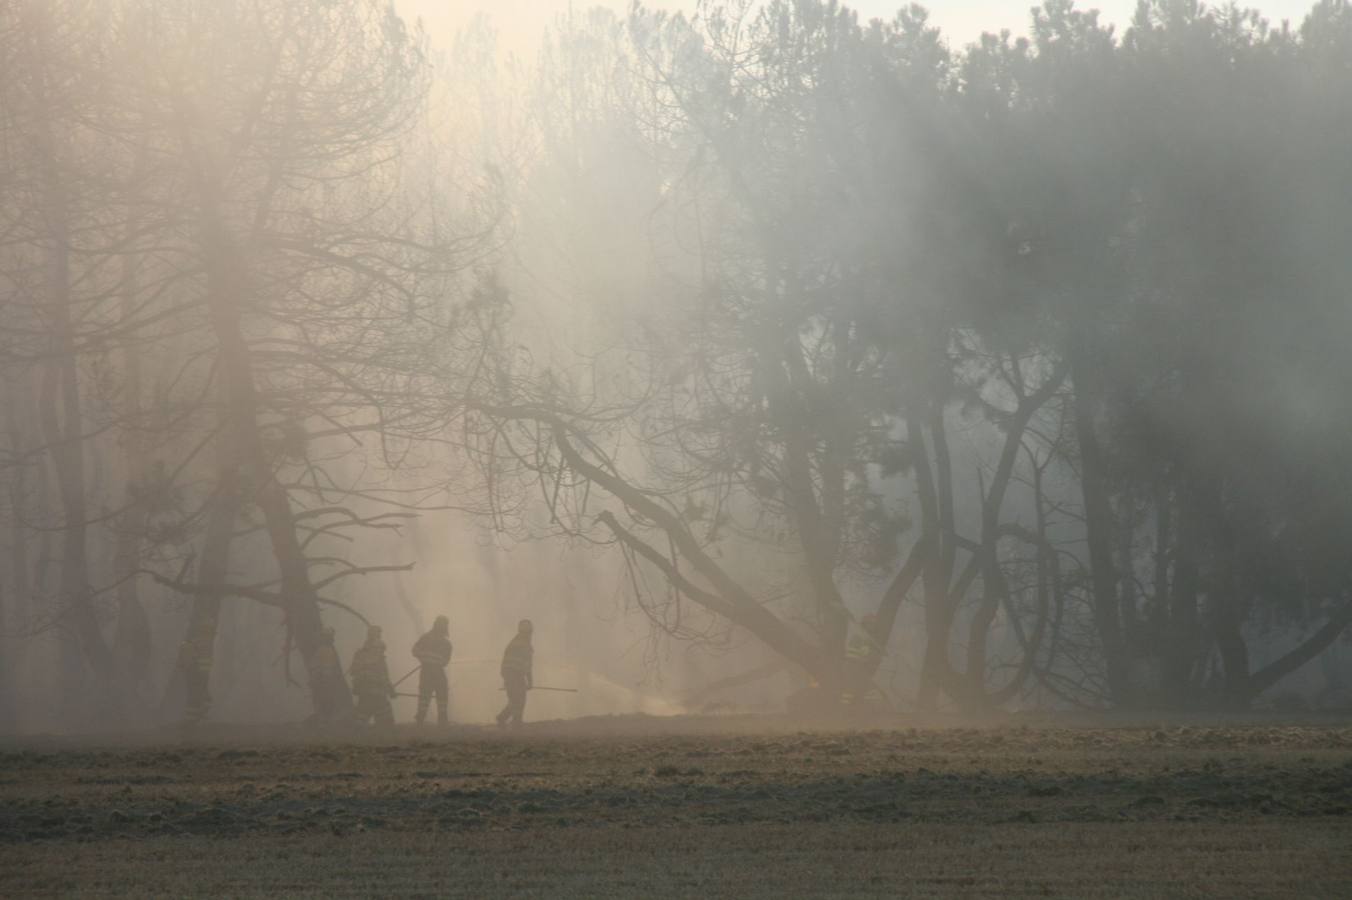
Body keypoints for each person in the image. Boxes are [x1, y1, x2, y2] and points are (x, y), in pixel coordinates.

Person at [350, 625, 394, 726]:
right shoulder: (377, 657)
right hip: (376, 692)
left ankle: (357, 734)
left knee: (362, 714)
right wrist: (390, 689)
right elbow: (383, 675)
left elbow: (353, 671)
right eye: (379, 634)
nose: (382, 651)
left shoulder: (359, 654)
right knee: (385, 718)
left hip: (365, 691)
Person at [412, 615, 452, 725]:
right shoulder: (426, 638)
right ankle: (420, 719)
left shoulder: (446, 643)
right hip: (428, 670)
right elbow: (415, 650)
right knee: (425, 695)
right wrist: (426, 659)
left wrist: (428, 659)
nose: (443, 627)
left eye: (445, 624)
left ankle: (442, 720)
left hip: (436, 670)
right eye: (442, 624)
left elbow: (446, 660)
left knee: (442, 694)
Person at [496, 619, 534, 728]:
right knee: (520, 698)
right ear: (529, 632)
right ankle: (517, 722)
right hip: (516, 675)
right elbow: (528, 666)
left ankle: (502, 718)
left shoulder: (513, 643)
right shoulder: (526, 645)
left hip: (509, 674)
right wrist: (530, 682)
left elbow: (505, 663)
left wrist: (506, 678)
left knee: (514, 698)